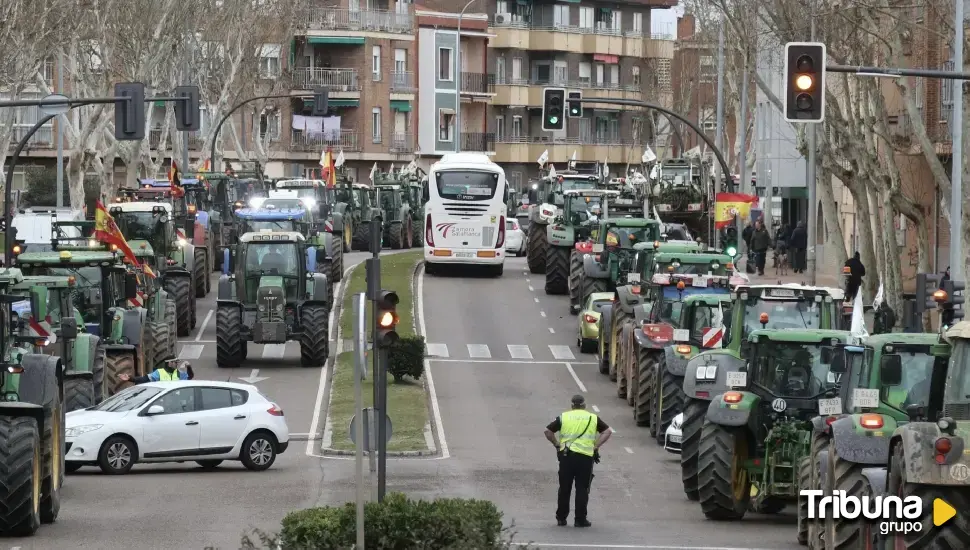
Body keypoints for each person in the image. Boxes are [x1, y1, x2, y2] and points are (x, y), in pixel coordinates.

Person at [544, 394, 613, 527]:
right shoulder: (592, 418)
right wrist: (596, 446)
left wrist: (557, 444)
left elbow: (547, 431)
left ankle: (561, 518)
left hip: (566, 456)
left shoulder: (564, 417)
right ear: (584, 406)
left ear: (572, 406)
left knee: (564, 487)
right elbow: (607, 431)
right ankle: (580, 519)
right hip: (585, 457)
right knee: (582, 488)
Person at [119, 357, 193, 384]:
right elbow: (144, 379)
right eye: (175, 362)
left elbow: (190, 377)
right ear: (169, 363)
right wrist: (130, 378)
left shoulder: (178, 373)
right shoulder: (159, 372)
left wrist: (189, 367)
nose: (177, 364)